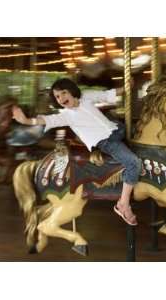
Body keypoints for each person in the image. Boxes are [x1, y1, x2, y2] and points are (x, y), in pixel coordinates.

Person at [12, 78, 141, 225]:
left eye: (63, 93)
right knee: (133, 163)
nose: (61, 98)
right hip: (106, 141)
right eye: (57, 96)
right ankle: (123, 204)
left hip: (117, 128)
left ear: (72, 91)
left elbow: (105, 95)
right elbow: (47, 120)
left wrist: (125, 87)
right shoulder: (66, 115)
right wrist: (27, 121)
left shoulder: (85, 97)